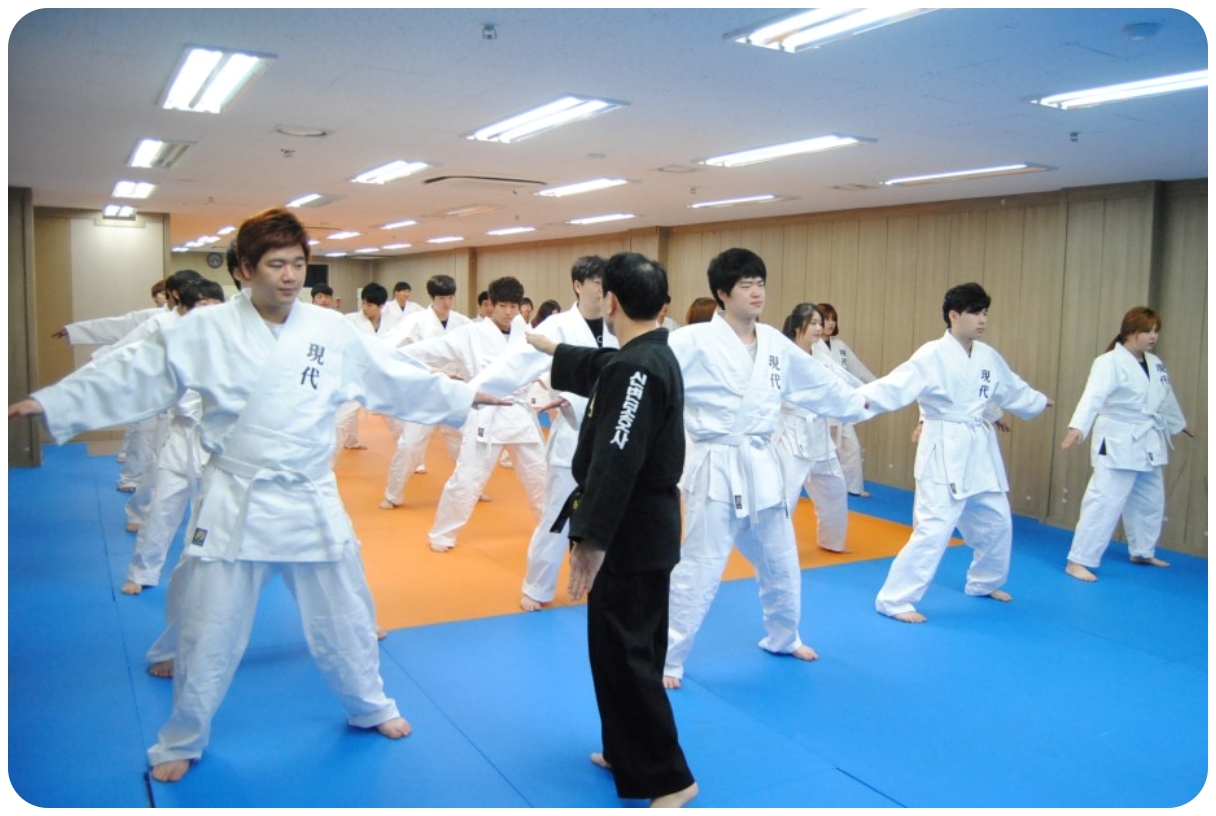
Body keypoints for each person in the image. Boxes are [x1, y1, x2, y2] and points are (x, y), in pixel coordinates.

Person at [9, 208, 493, 783]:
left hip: (309, 495)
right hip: (238, 496)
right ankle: (183, 736)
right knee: (209, 627)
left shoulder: (330, 330)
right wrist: (56, 402)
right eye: (275, 264)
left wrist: (467, 397)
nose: (290, 276)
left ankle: (370, 705)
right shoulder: (204, 330)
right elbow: (135, 370)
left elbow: (394, 376)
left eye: (298, 264)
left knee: (346, 614)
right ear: (243, 269)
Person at [524, 251, 697, 807]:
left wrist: (590, 540)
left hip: (630, 531)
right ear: (663, 306)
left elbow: (615, 460)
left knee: (627, 656)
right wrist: (554, 351)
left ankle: (670, 778)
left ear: (612, 301)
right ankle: (626, 752)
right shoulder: (651, 355)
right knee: (624, 648)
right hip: (647, 527)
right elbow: (606, 366)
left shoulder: (636, 368)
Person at [662, 248, 869, 688]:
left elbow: (817, 385)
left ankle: (783, 635)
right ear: (722, 293)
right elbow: (649, 378)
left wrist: (865, 402)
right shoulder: (691, 341)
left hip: (760, 463)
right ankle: (667, 657)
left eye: (760, 284)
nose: (757, 293)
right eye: (746, 285)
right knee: (701, 566)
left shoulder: (774, 342)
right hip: (716, 466)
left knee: (781, 559)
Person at [858, 282, 1052, 623]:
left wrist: (1036, 401)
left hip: (979, 449)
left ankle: (985, 581)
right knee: (933, 529)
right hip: (944, 448)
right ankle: (895, 600)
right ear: (954, 315)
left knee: (996, 521)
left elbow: (1010, 387)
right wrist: (854, 401)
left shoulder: (987, 356)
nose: (983, 320)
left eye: (986, 313)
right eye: (975, 313)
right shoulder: (932, 354)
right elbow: (896, 385)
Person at [471, 256, 619, 611]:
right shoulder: (558, 326)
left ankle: (606, 585)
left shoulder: (620, 323)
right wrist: (470, 392)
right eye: (596, 282)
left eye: (606, 283)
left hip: (615, 439)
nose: (602, 289)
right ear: (578, 285)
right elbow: (516, 365)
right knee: (557, 517)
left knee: (614, 519)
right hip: (572, 435)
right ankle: (537, 586)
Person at [403, 276, 548, 552]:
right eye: (502, 306)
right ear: (490, 305)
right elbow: (428, 350)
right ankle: (442, 534)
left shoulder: (527, 334)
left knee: (540, 477)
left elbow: (548, 363)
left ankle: (553, 532)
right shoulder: (470, 334)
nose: (508, 312)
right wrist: (407, 361)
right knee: (467, 478)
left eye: (513, 306)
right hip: (486, 413)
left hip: (520, 413)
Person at [1060, 307, 1192, 582]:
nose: (1153, 336)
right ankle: (1078, 560)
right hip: (1117, 439)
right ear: (1130, 332)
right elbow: (1092, 397)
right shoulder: (1108, 362)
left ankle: (1142, 551)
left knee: (1150, 499)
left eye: (1156, 331)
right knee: (1104, 500)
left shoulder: (1155, 363)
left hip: (1148, 439)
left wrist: (1177, 423)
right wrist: (1077, 427)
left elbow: (1164, 397)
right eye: (1147, 331)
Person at [121, 279, 226, 595]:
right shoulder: (171, 345)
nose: (210, 314)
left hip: (220, 447)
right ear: (185, 309)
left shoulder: (234, 347)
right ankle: (142, 571)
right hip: (181, 441)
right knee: (161, 510)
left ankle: (199, 573)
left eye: (216, 307)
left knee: (210, 519)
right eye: (203, 306)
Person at [378, 274, 471, 508]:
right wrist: (423, 370)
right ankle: (392, 495)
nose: (446, 303)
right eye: (441, 298)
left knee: (464, 444)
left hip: (454, 391)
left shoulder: (462, 322)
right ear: (431, 297)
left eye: (450, 298)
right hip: (426, 390)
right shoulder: (416, 321)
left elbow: (475, 350)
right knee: (410, 444)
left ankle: (471, 489)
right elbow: (389, 346)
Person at [776, 303, 860, 554]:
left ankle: (832, 541)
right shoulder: (782, 354)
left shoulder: (821, 355)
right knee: (786, 496)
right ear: (797, 326)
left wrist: (867, 398)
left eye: (819, 323)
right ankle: (776, 549)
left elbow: (843, 382)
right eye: (812, 323)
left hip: (819, 435)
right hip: (791, 432)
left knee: (835, 490)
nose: (818, 328)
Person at [817, 303, 877, 497]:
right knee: (819, 449)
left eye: (833, 319)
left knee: (851, 447)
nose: (830, 323)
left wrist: (877, 386)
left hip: (841, 406)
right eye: (826, 319)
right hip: (819, 407)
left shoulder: (840, 346)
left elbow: (857, 369)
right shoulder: (812, 346)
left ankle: (853, 486)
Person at [335, 282, 392, 450]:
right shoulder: (350, 320)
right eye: (363, 303)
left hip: (382, 375)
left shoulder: (392, 323)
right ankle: (331, 452)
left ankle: (414, 459)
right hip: (357, 374)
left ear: (381, 306)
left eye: (370, 305)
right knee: (342, 418)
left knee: (398, 421)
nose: (365, 308)